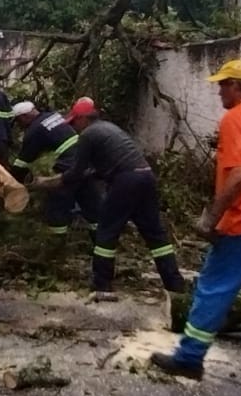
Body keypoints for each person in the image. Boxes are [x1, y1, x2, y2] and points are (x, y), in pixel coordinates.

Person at [150, 59, 241, 396]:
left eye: (222, 85)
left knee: (213, 288)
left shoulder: (235, 118)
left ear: (235, 85)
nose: (219, 91)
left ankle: (189, 358)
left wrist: (211, 217)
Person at [53, 97, 184, 298]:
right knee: (155, 234)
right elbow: (105, 165)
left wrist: (55, 181)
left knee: (106, 230)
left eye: (74, 123)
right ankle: (174, 284)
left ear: (82, 119)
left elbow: (77, 172)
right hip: (145, 175)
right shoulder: (109, 128)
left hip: (125, 181)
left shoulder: (88, 135)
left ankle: (102, 284)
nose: (74, 128)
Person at [9, 101, 102, 237]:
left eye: (18, 121)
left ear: (24, 117)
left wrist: (13, 180)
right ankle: (100, 242)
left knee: (57, 205)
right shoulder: (53, 115)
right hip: (85, 161)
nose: (19, 125)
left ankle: (57, 243)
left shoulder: (34, 130)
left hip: (68, 166)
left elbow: (23, 162)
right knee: (91, 203)